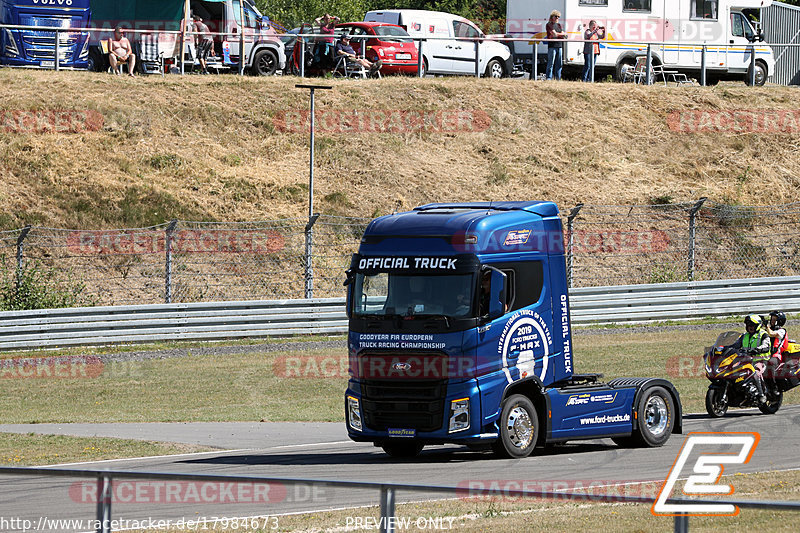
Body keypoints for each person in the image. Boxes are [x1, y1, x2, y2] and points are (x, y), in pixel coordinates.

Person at [733, 314, 770, 403]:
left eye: (752, 325)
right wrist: (724, 348)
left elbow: (766, 345)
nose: (750, 327)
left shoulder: (763, 335)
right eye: (748, 325)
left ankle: (761, 395)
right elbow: (735, 345)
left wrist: (757, 349)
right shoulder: (744, 336)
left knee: (755, 373)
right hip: (745, 361)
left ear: (757, 326)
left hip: (760, 361)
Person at [545, 10, 566, 80]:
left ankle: (558, 78)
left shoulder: (559, 25)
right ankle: (549, 77)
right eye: (556, 16)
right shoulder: (549, 24)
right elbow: (555, 34)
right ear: (552, 17)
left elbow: (563, 34)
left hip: (559, 46)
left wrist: (561, 34)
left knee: (559, 64)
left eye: (558, 17)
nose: (557, 18)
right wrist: (562, 34)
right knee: (551, 63)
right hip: (552, 46)